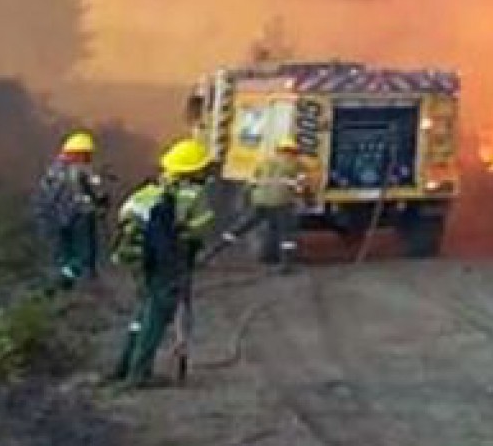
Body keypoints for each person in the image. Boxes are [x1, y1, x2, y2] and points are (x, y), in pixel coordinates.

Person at [110, 139, 217, 387]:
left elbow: (124, 218)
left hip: (135, 258)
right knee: (156, 316)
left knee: (143, 311)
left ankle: (123, 367)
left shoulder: (150, 190)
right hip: (166, 261)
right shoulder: (192, 194)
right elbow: (200, 229)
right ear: (194, 170)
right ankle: (139, 374)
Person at [33, 132, 110, 289]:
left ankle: (63, 280)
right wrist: (102, 203)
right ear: (80, 154)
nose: (89, 158)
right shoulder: (83, 169)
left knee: (64, 253)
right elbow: (98, 192)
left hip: (55, 218)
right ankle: (85, 285)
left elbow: (43, 195)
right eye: (87, 155)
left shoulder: (52, 170)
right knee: (85, 254)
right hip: (80, 216)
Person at [233, 137, 308, 272]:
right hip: (281, 203)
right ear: (293, 151)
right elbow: (300, 188)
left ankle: (211, 252)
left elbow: (251, 182)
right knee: (286, 234)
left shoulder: (264, 162)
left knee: (241, 228)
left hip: (259, 201)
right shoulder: (297, 165)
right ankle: (286, 265)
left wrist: (245, 200)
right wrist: (303, 198)